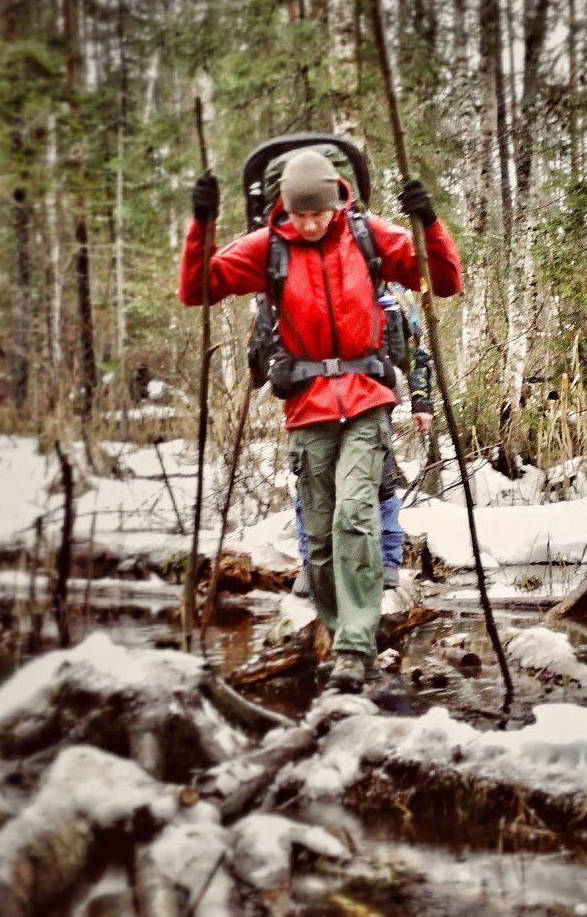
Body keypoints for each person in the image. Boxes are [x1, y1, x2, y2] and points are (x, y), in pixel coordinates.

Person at [180, 150, 462, 692]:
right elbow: (199, 289)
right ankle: (337, 636)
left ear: (337, 200)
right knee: (318, 535)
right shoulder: (269, 248)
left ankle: (356, 646)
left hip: (366, 398)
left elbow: (443, 281)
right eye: (300, 214)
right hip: (306, 406)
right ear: (285, 208)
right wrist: (203, 223)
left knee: (355, 514)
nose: (310, 224)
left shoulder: (368, 236)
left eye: (319, 213)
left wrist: (429, 223)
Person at [291, 329, 435, 596]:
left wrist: (422, 402)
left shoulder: (391, 295)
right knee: (311, 484)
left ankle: (386, 562)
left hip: (372, 397)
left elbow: (418, 351)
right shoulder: (302, 289)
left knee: (380, 481)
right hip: (315, 400)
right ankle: (314, 566)